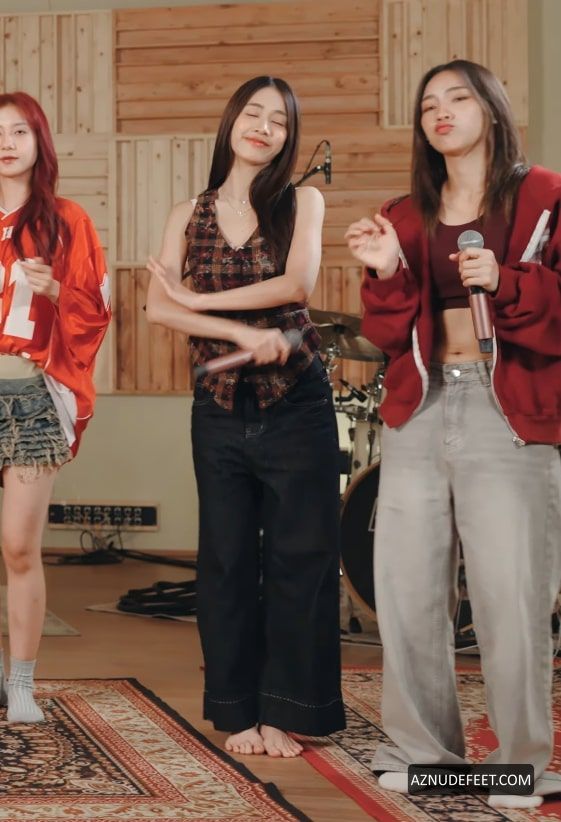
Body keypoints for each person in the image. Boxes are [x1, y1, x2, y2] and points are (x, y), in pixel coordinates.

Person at [346, 59, 561, 809]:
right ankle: (421, 753)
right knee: (406, 592)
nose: (440, 111)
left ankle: (520, 764)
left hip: (507, 413)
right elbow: (385, 332)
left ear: (492, 109)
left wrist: (505, 280)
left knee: (510, 596)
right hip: (421, 407)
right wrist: (384, 272)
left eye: (458, 98)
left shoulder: (545, 197)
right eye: (428, 103)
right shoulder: (405, 214)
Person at [146, 76, 345, 757]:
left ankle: (288, 710)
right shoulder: (187, 213)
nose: (263, 127)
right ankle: (236, 710)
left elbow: (297, 285)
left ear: (288, 137)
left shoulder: (302, 201)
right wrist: (234, 331)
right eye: (253, 114)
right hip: (220, 407)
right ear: (231, 122)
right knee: (226, 560)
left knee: (301, 557)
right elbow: (156, 306)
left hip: (297, 402)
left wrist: (199, 303)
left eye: (278, 120)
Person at [0, 92, 111, 723]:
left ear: (39, 141)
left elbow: (96, 311)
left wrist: (58, 290)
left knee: (19, 546)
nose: (6, 142)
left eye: (19, 131)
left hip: (30, 397)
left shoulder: (67, 220)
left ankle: (22, 682)